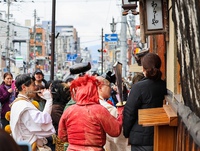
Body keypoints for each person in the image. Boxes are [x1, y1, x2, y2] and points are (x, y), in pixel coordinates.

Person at [58, 74, 123, 151]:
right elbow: (115, 131)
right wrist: (120, 114)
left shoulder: (69, 110)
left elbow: (62, 136)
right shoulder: (100, 110)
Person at [123, 52, 167, 151]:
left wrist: (126, 132)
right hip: (163, 135)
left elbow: (129, 113)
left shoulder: (138, 87)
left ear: (143, 69)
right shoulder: (165, 86)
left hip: (141, 138)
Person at [9, 74, 55, 151]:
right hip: (31, 147)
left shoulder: (18, 103)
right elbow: (42, 124)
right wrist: (49, 100)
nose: (35, 87)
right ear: (24, 87)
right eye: (33, 85)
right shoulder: (23, 105)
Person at [97, 75, 131, 151]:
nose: (111, 88)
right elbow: (116, 133)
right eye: (109, 86)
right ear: (100, 87)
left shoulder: (76, 108)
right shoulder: (104, 107)